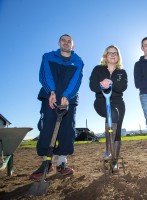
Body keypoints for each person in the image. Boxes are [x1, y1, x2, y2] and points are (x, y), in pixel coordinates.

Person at [30, 34, 84, 180]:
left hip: (69, 100)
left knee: (67, 129)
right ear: (59, 43)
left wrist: (67, 95)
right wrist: (51, 91)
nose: (66, 43)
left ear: (72, 46)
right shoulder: (48, 57)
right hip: (50, 98)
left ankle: (62, 163)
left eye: (69, 41)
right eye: (63, 40)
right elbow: (44, 75)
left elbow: (76, 81)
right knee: (47, 127)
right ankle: (46, 163)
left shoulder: (78, 61)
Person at [89, 45, 127, 171]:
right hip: (101, 101)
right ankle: (107, 151)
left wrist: (111, 82)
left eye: (115, 53)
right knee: (112, 113)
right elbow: (92, 86)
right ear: (105, 55)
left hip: (118, 102)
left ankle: (114, 160)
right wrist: (102, 83)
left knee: (117, 125)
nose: (112, 55)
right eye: (109, 53)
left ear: (118, 56)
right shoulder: (98, 69)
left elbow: (122, 87)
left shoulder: (121, 72)